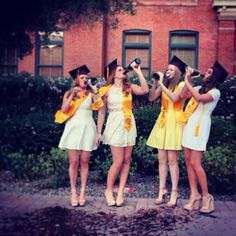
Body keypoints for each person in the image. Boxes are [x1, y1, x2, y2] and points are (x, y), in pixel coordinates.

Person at [96, 59, 149, 206]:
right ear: (113, 74)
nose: (123, 71)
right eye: (119, 70)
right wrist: (98, 132)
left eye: (123, 70)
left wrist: (138, 71)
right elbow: (101, 113)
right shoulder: (105, 90)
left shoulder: (129, 87)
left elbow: (145, 90)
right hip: (114, 123)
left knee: (126, 160)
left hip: (128, 123)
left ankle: (120, 192)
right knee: (118, 161)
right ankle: (108, 190)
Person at [180, 61, 228, 213]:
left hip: (200, 127)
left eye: (208, 72)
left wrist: (187, 81)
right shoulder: (199, 88)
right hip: (189, 125)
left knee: (195, 162)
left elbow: (199, 99)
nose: (205, 74)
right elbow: (182, 95)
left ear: (214, 77)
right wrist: (189, 79)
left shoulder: (215, 92)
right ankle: (194, 195)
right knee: (188, 161)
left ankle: (207, 196)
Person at [55, 65, 103, 207]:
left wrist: (95, 91)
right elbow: (64, 110)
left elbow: (100, 107)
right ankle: (73, 192)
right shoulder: (69, 93)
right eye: (82, 77)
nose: (84, 79)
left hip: (88, 128)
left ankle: (82, 192)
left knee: (84, 161)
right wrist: (71, 95)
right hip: (73, 129)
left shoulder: (91, 93)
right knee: (74, 162)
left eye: (86, 78)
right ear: (76, 79)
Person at [146, 56, 187, 207]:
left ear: (177, 72)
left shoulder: (182, 84)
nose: (168, 71)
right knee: (161, 160)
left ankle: (174, 193)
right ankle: (162, 191)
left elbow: (175, 99)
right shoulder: (165, 85)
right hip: (163, 121)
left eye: (171, 69)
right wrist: (155, 84)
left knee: (172, 160)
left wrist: (162, 85)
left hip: (175, 121)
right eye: (167, 69)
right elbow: (151, 98)